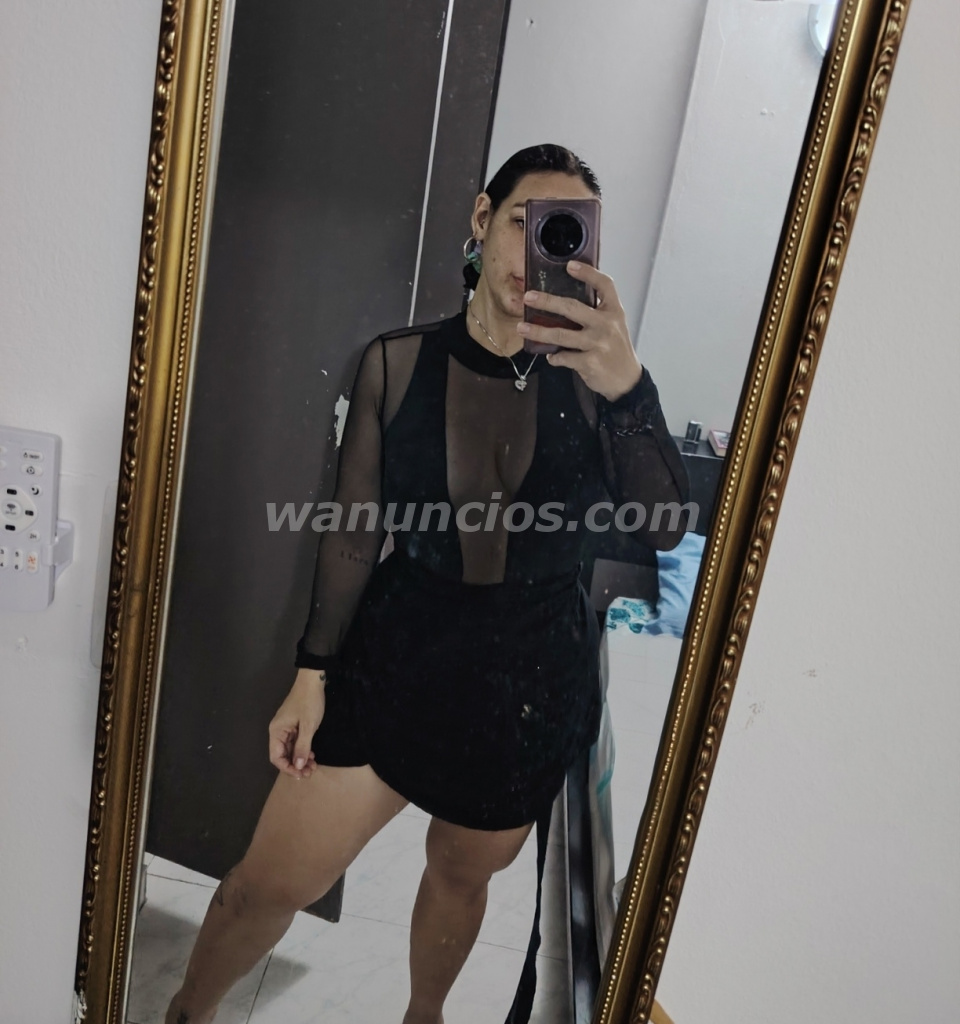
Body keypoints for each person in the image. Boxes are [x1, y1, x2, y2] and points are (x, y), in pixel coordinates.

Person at [164, 144, 689, 1024]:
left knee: (459, 875)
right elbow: (353, 532)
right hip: (395, 666)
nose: (537, 253)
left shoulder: (601, 383)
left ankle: (423, 1016)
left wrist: (629, 385)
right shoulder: (395, 363)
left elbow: (665, 524)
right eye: (525, 222)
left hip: (525, 690)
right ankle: (187, 1012)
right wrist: (310, 672)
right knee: (264, 885)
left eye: (565, 237)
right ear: (483, 219)